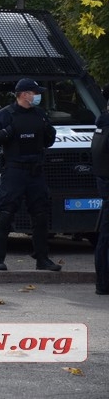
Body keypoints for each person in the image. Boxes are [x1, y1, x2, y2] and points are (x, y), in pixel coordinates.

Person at [0, 78, 60, 272]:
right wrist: (7, 132)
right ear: (24, 94)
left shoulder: (40, 114)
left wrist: (49, 130)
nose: (38, 96)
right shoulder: (4, 116)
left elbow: (48, 141)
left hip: (35, 171)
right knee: (5, 214)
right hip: (14, 171)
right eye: (35, 92)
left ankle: (42, 259)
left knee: (41, 215)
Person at [92, 100, 109, 295]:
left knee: (105, 238)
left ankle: (103, 283)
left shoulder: (101, 127)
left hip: (104, 186)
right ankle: (103, 284)